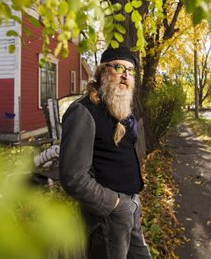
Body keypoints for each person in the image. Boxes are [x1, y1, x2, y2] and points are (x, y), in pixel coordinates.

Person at [59, 45, 151, 259]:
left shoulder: (122, 110)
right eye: (119, 67)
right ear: (102, 72)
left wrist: (131, 203)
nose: (125, 75)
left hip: (131, 206)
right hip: (107, 215)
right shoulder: (84, 111)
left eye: (130, 70)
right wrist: (116, 205)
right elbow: (73, 177)